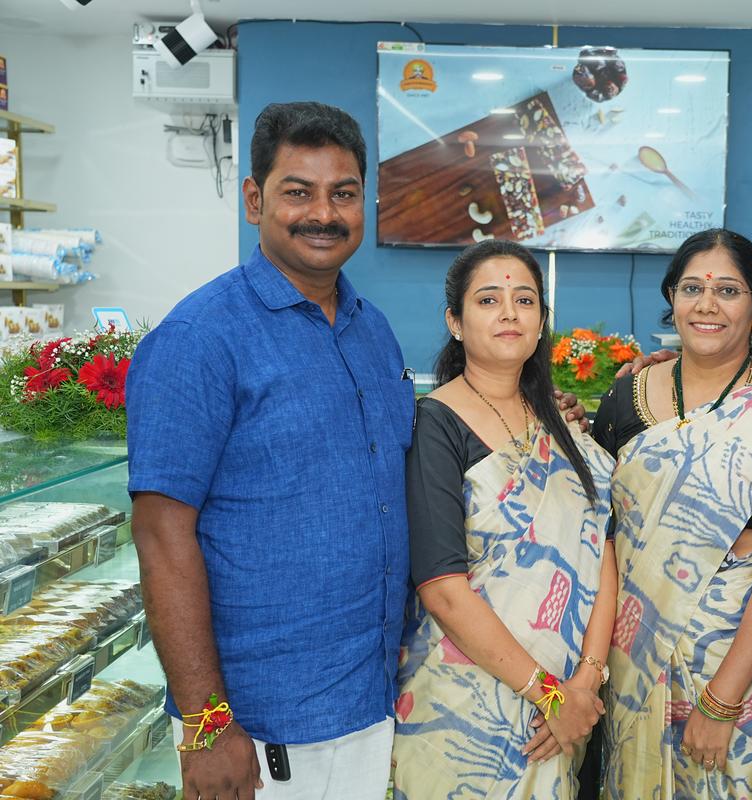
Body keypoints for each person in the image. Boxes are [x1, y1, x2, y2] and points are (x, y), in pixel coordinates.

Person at [126, 102, 586, 800]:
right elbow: (162, 535)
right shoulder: (200, 338)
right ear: (254, 200)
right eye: (297, 192)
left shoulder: (370, 332)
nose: (323, 213)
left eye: (342, 194)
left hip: (375, 699)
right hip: (263, 719)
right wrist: (205, 722)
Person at [597, 228, 752, 799]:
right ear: (672, 297)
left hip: (739, 673)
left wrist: (722, 701)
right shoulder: (627, 397)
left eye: (728, 290)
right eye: (692, 287)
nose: (708, 304)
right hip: (633, 661)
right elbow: (597, 530)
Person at [392, 240, 616, 798]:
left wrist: (586, 680)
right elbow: (442, 589)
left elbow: (602, 545)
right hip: (462, 710)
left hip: (566, 708)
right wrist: (551, 694)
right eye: (489, 300)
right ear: (456, 321)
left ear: (542, 321)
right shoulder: (435, 425)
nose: (510, 312)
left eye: (525, 299)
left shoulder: (561, 423)